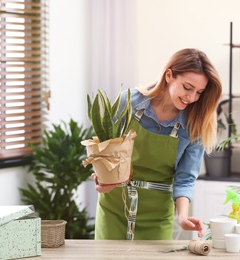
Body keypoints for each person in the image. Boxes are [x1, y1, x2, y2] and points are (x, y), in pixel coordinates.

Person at [91, 48, 222, 240]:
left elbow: (185, 178)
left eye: (199, 92)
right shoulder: (128, 102)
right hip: (114, 210)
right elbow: (102, 151)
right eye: (187, 88)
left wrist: (183, 216)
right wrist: (101, 179)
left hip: (157, 217)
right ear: (169, 75)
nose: (192, 98)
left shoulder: (196, 122)